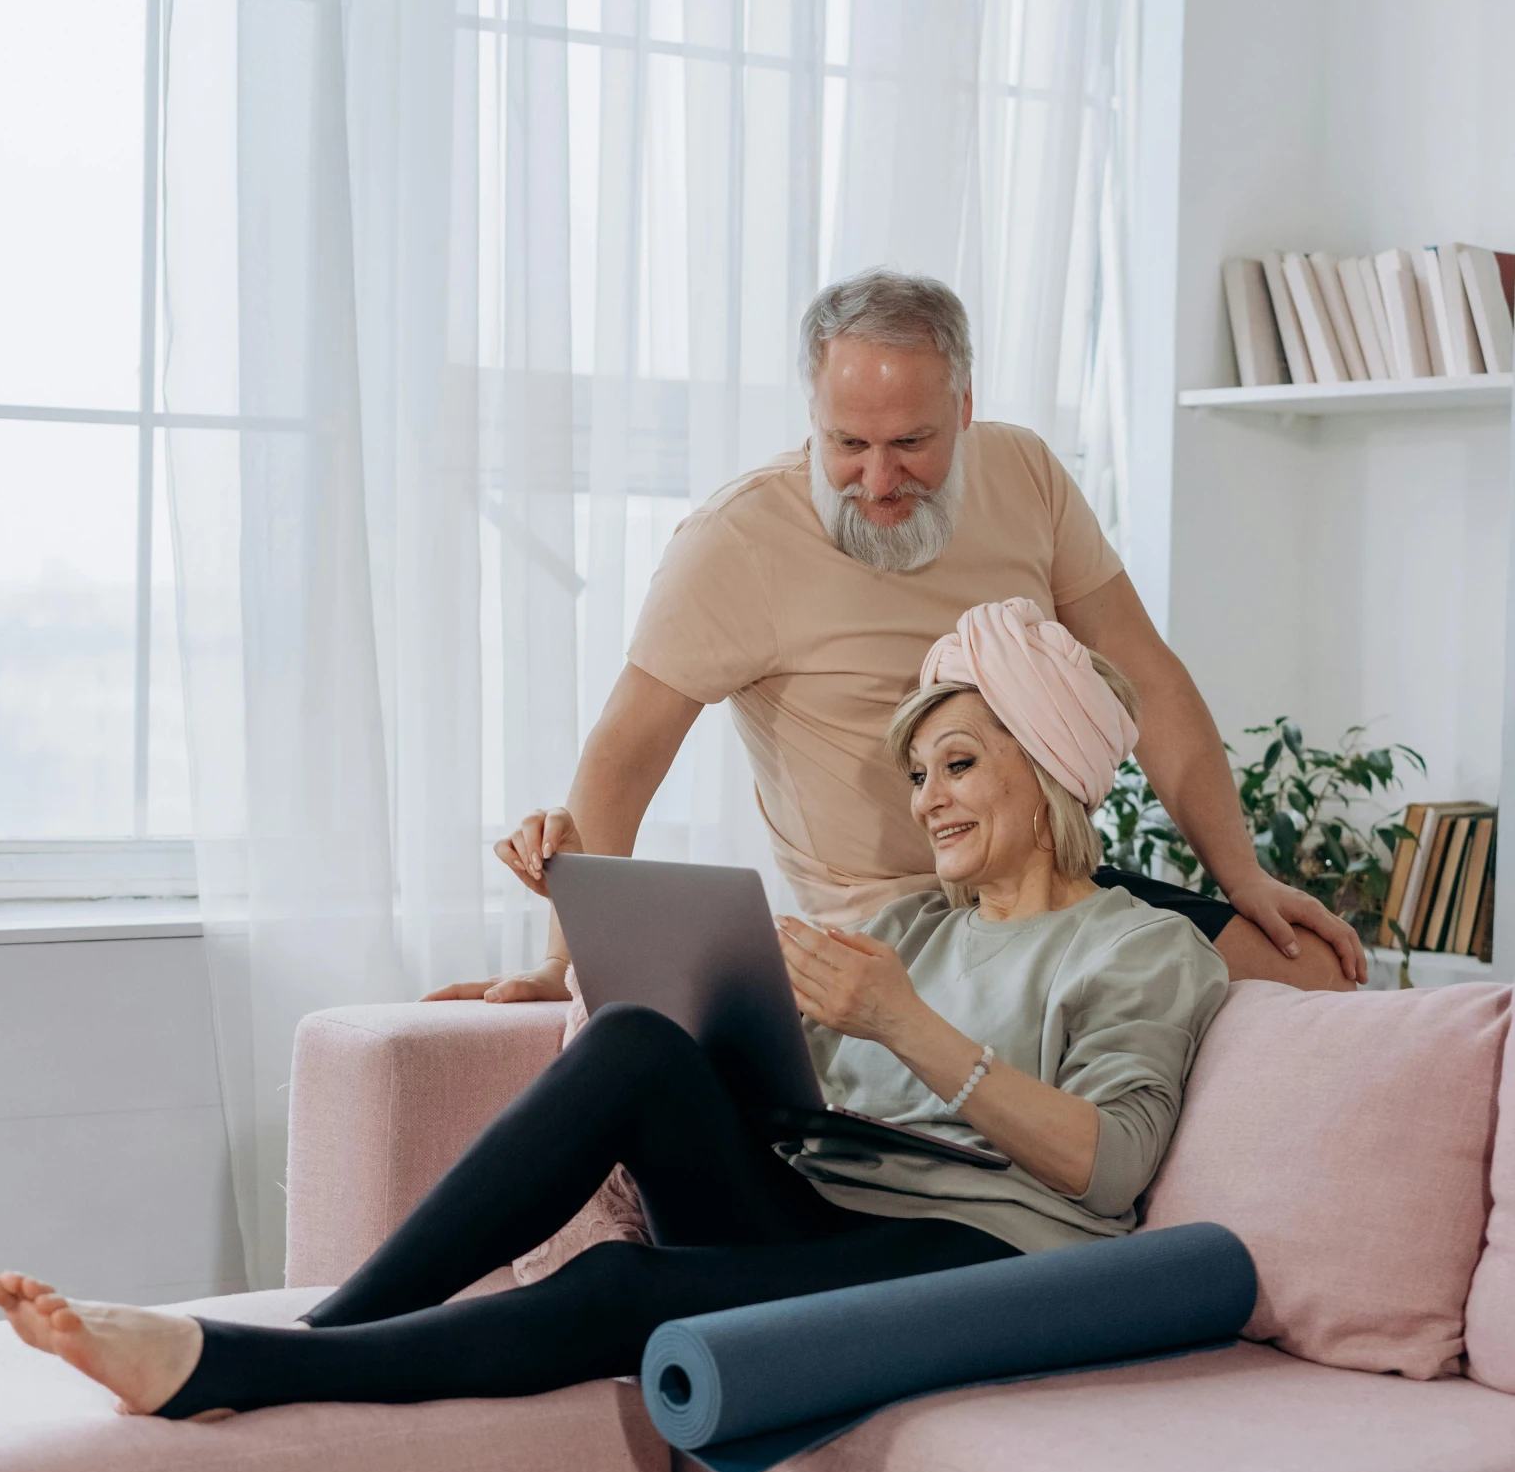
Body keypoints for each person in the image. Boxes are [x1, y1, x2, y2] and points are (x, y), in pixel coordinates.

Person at [0, 601, 1228, 1420]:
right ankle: (335, 1324)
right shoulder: (906, 926)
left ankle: (240, 1369)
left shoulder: (1143, 949)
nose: (930, 800)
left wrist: (909, 1028)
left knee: (627, 1288)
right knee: (638, 1043)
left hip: (987, 1264)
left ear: (1054, 770)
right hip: (823, 1216)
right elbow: (752, 1062)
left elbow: (1111, 1170)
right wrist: (584, 919)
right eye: (918, 774)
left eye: (958, 765)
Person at [431, 269, 1360, 1006]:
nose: (876, 480)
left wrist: (1242, 876)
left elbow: (1148, 677)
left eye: (910, 443)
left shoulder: (1025, 472)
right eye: (847, 444)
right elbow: (624, 752)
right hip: (902, 926)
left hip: (1048, 888)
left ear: (963, 407)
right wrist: (561, 966)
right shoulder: (735, 542)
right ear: (812, 415)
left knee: (1313, 971)